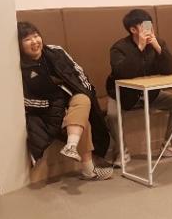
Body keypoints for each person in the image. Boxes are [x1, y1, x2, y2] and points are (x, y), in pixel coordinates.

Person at [18, 21, 114, 180]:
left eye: (36, 36)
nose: (34, 41)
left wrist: (84, 90)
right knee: (82, 120)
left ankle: (71, 145)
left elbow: (79, 72)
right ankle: (86, 167)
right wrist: (57, 108)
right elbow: (26, 100)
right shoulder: (20, 67)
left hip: (73, 99)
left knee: (83, 98)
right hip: (48, 109)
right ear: (20, 45)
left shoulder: (56, 52)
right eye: (27, 39)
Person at [105, 9, 172, 162]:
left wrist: (158, 48)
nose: (149, 29)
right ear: (133, 29)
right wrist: (139, 48)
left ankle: (170, 145)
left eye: (149, 25)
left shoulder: (158, 43)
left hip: (149, 94)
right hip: (122, 95)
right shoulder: (119, 48)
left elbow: (170, 69)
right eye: (144, 26)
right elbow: (122, 72)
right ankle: (122, 151)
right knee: (112, 115)